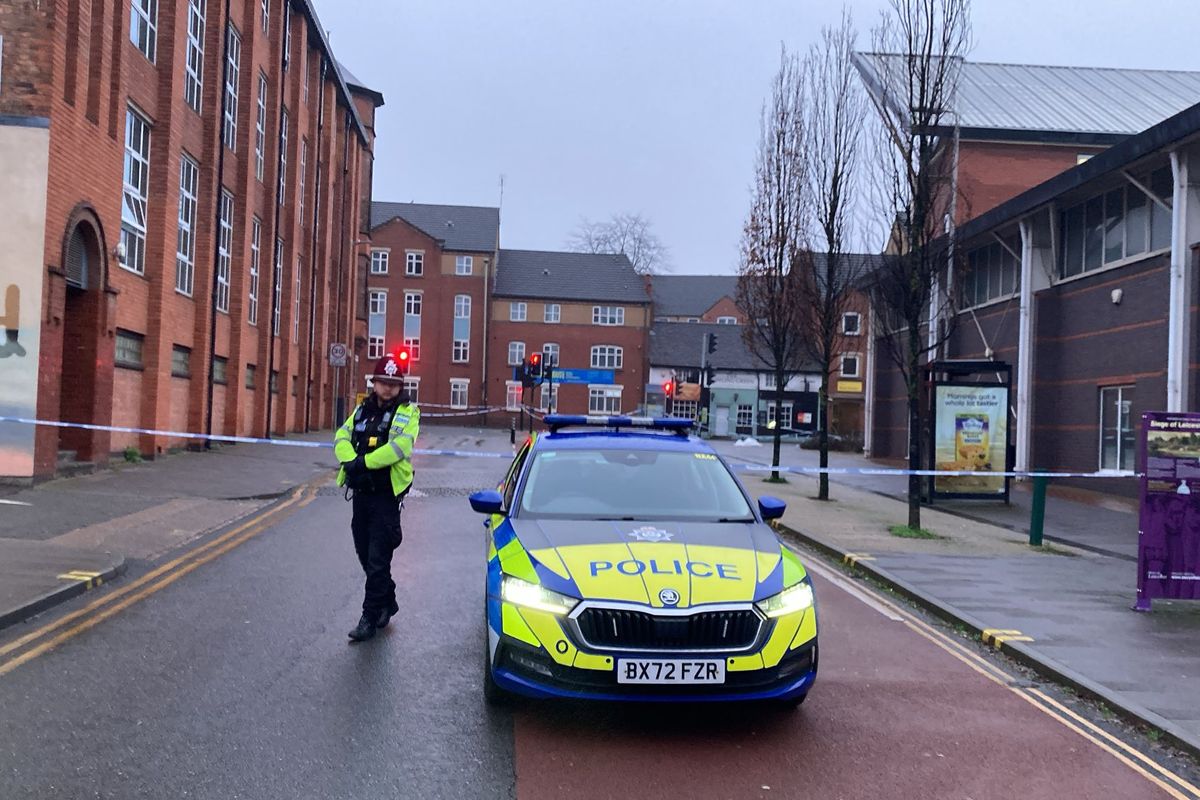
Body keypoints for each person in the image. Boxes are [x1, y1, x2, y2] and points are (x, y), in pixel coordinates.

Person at [333, 354, 420, 642]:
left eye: (394, 384)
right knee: (364, 553)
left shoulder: (409, 412)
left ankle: (369, 617)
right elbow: (341, 438)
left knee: (377, 558)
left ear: (400, 386)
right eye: (383, 382)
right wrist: (352, 462)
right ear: (374, 383)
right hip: (361, 493)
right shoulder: (361, 410)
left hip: (385, 496)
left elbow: (399, 448)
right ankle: (388, 599)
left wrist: (364, 462)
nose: (388, 388)